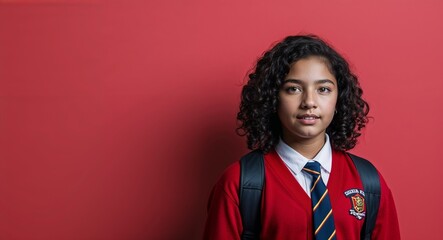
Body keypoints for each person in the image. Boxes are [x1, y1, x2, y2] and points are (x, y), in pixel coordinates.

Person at [203, 35, 400, 240]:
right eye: (293, 89)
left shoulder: (369, 183)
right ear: (272, 97)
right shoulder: (240, 182)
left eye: (323, 89)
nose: (309, 102)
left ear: (338, 99)